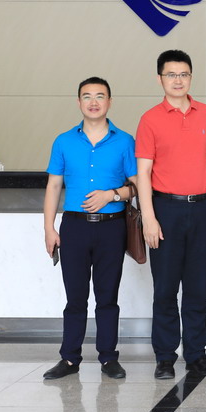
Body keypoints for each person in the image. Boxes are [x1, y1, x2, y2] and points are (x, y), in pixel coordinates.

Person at [42, 77, 137, 380]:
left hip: (112, 228)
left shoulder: (125, 141)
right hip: (74, 227)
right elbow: (53, 186)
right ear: (79, 102)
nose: (93, 102)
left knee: (107, 297)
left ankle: (108, 358)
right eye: (87, 96)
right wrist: (49, 228)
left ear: (109, 102)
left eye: (100, 96)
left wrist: (112, 195)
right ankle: (69, 359)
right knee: (75, 298)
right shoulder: (63, 141)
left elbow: (137, 186)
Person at [136, 50, 206, 379]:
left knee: (199, 287)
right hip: (166, 210)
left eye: (183, 74)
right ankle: (164, 356)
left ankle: (197, 354)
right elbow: (143, 173)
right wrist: (149, 217)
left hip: (203, 209)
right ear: (160, 79)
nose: (178, 80)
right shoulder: (150, 119)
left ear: (191, 77)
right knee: (166, 287)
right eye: (171, 75)